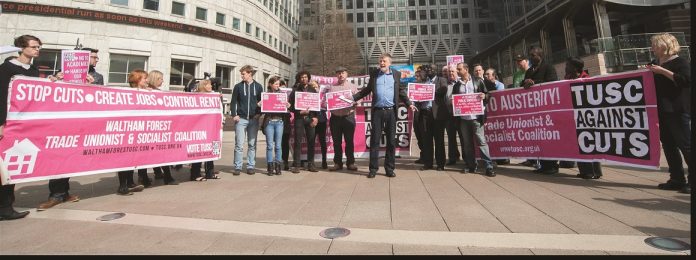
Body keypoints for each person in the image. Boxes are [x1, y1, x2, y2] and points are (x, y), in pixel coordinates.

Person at [0, 35, 44, 220]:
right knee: (4, 168)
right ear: (21, 48)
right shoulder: (7, 68)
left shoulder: (33, 70)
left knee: (12, 167)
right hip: (8, 123)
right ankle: (4, 207)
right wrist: (1, 123)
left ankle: (6, 206)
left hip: (24, 126)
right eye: (34, 46)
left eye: (39, 46)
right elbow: (1, 96)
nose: (37, 50)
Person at [352, 53, 417, 178]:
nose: (382, 63)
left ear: (390, 63)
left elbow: (401, 91)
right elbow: (367, 90)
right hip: (377, 112)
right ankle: (373, 169)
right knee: (375, 141)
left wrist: (409, 103)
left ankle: (389, 168)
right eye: (380, 61)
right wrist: (353, 98)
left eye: (384, 61)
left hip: (391, 111)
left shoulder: (396, 75)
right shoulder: (374, 74)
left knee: (391, 142)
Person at [647, 33, 691, 193]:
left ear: (665, 45)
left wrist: (663, 71)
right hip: (660, 110)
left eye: (655, 45)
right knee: (669, 145)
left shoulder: (680, 62)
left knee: (686, 145)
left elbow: (686, 81)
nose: (652, 48)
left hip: (677, 109)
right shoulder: (654, 63)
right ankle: (677, 178)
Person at [522, 46, 559, 175]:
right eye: (530, 55)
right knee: (539, 139)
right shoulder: (529, 70)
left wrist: (534, 82)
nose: (531, 57)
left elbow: (552, 83)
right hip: (534, 110)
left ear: (540, 56)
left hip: (546, 109)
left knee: (548, 138)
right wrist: (526, 82)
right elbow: (523, 84)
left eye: (533, 55)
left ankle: (552, 165)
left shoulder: (548, 67)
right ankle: (543, 165)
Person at [454, 63, 495, 177]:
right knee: (467, 144)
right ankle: (471, 165)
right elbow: (455, 100)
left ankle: (489, 166)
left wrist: (484, 96)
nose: (457, 71)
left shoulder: (478, 81)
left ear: (466, 69)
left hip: (476, 117)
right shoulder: (457, 85)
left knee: (481, 142)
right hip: (463, 119)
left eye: (459, 69)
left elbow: (488, 94)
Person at [564, 57, 601, 179]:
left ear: (575, 68)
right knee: (578, 144)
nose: (565, 67)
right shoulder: (566, 79)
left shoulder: (586, 79)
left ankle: (594, 171)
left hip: (586, 116)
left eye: (568, 65)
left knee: (589, 143)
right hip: (573, 116)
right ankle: (585, 170)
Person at [115, 70, 149, 195]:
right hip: (128, 130)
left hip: (139, 130)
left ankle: (130, 182)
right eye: (144, 78)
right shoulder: (128, 93)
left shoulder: (147, 93)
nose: (147, 80)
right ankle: (122, 185)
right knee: (125, 158)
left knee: (132, 159)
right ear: (137, 80)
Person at [143, 70, 178, 185]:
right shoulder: (144, 92)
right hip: (147, 127)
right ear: (155, 79)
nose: (162, 81)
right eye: (160, 79)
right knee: (146, 153)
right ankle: (146, 176)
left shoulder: (159, 92)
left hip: (159, 126)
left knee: (161, 152)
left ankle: (163, 174)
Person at [230, 65, 264, 175]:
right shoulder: (238, 86)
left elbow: (262, 102)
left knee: (252, 144)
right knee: (239, 144)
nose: (242, 75)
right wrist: (234, 114)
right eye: (241, 73)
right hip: (241, 119)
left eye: (243, 73)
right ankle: (238, 167)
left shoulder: (258, 87)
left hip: (253, 120)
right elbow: (233, 102)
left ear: (250, 73)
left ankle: (250, 166)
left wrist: (259, 114)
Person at [327, 66, 359, 171]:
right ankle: (337, 163)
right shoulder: (331, 87)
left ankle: (350, 163)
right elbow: (326, 101)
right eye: (339, 73)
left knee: (349, 141)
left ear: (347, 74)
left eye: (343, 73)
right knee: (336, 142)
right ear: (336, 75)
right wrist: (328, 103)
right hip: (335, 118)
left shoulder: (353, 87)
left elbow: (360, 99)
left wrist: (356, 102)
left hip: (348, 117)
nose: (341, 75)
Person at [190, 79, 222, 181]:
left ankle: (210, 172)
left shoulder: (213, 96)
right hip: (200, 128)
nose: (211, 86)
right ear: (203, 86)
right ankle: (195, 173)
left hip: (211, 127)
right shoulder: (196, 96)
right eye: (209, 85)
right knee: (199, 149)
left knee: (211, 148)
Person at [418, 64, 448, 171]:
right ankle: (428, 163)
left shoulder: (442, 80)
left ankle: (440, 164)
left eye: (432, 69)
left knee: (439, 140)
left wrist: (429, 92)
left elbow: (443, 91)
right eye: (428, 69)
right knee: (427, 140)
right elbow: (417, 94)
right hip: (425, 114)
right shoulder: (423, 82)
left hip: (437, 114)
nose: (429, 71)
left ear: (436, 71)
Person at [288, 72, 319, 173]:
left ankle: (311, 164)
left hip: (310, 118)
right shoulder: (295, 91)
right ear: (299, 79)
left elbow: (316, 104)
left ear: (308, 78)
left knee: (311, 141)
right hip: (299, 119)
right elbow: (291, 106)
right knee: (297, 142)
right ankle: (297, 165)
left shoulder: (313, 90)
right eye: (302, 77)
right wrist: (299, 111)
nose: (304, 79)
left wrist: (315, 117)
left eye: (305, 77)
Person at [260, 76, 290, 176]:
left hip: (279, 122)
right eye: (276, 84)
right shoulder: (266, 95)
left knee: (278, 146)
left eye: (278, 84)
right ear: (270, 84)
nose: (278, 86)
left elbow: (286, 109)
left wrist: (288, 106)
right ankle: (270, 166)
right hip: (269, 122)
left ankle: (278, 166)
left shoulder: (282, 95)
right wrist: (260, 104)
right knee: (269, 146)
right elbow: (262, 110)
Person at [279, 79, 292, 171]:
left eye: (283, 86)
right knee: (277, 142)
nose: (281, 88)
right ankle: (277, 161)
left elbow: (293, 106)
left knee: (285, 141)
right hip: (276, 118)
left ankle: (285, 161)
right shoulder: (272, 93)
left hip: (286, 118)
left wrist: (289, 105)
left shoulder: (290, 94)